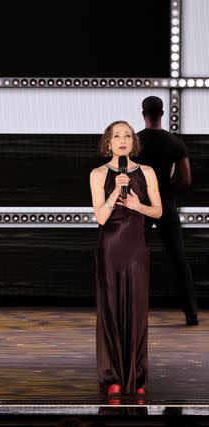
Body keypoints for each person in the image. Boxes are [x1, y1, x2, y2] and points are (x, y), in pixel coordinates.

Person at [89, 120, 162, 396]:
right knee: (111, 309)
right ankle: (112, 377)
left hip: (137, 248)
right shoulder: (98, 174)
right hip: (110, 247)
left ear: (134, 142)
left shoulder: (147, 172)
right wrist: (113, 191)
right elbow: (101, 216)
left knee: (136, 310)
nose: (122, 140)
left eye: (127, 135)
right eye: (117, 135)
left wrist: (137, 205)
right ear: (108, 142)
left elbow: (158, 212)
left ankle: (137, 376)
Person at [136, 96, 198, 326]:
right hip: (165, 204)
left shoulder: (135, 142)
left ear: (143, 114)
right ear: (162, 113)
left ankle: (130, 313)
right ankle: (191, 313)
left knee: (133, 258)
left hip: (140, 205)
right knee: (178, 258)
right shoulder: (175, 143)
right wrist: (167, 190)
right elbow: (186, 179)